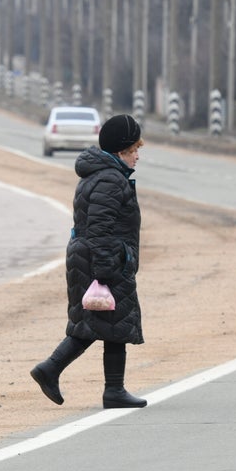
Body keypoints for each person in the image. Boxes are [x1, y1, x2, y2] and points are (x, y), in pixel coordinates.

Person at [30, 113, 147, 409]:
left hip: (92, 257)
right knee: (105, 324)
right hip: (101, 260)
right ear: (120, 151)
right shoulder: (110, 180)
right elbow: (100, 229)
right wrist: (107, 269)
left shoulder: (103, 175)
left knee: (102, 325)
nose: (137, 156)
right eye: (134, 150)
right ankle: (61, 372)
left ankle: (103, 386)